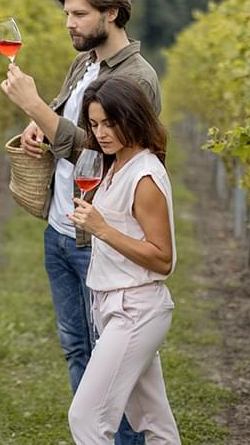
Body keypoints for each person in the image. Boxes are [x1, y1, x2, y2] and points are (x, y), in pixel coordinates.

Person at [0, 0, 160, 445]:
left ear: (112, 12)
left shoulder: (138, 77)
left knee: (113, 364)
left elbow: (107, 150)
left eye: (79, 13)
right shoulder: (84, 63)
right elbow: (70, 122)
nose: (69, 22)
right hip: (61, 228)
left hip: (102, 236)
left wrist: (35, 110)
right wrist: (39, 131)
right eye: (67, 13)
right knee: (76, 349)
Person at [66, 77, 180, 444]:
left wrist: (102, 229)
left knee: (86, 417)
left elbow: (163, 259)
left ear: (131, 117)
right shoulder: (115, 165)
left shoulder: (144, 176)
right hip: (114, 304)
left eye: (109, 123)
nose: (101, 133)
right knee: (155, 422)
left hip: (135, 309)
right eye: (95, 124)